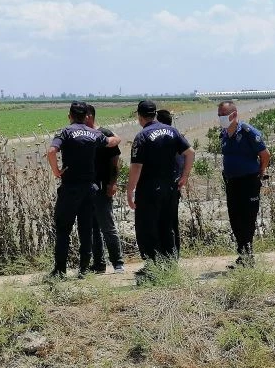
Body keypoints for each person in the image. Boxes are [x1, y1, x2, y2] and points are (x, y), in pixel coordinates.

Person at [48, 101, 121, 278]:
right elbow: (112, 142)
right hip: (89, 188)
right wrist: (115, 136)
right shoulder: (94, 133)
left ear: (70, 116)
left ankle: (60, 270)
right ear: (86, 116)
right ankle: (84, 269)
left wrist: (57, 171)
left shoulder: (65, 132)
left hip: (70, 187)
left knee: (63, 229)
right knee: (86, 229)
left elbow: (51, 151)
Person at [126, 100, 194, 275]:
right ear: (155, 114)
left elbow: (136, 167)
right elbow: (190, 153)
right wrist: (184, 176)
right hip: (170, 188)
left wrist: (130, 190)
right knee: (168, 226)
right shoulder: (172, 131)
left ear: (140, 116)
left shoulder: (142, 136)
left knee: (147, 227)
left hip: (149, 190)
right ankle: (170, 265)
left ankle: (153, 267)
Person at [217, 100, 270, 268]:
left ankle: (247, 258)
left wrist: (260, 172)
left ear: (234, 115)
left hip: (249, 182)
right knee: (235, 219)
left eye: (223, 115)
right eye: (219, 115)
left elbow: (265, 154)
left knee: (247, 219)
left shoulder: (248, 132)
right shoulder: (224, 133)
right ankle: (243, 257)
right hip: (232, 182)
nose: (221, 118)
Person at [85, 104, 125, 274]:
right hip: (87, 187)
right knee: (93, 228)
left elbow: (115, 163)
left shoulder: (106, 134)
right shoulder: (82, 135)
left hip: (102, 186)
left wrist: (112, 183)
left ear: (89, 116)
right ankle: (99, 264)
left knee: (107, 226)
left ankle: (118, 263)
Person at [156, 109, 184, 256]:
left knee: (167, 223)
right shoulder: (177, 136)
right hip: (172, 185)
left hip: (168, 186)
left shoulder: (169, 138)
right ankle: (171, 255)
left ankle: (170, 257)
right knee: (170, 222)